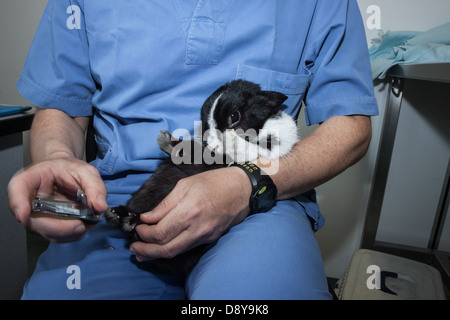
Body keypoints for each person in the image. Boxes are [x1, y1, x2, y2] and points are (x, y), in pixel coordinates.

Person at [8, 0, 378, 300]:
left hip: (260, 197)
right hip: (124, 198)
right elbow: (63, 110)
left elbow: (351, 127)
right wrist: (58, 159)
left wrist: (246, 184)